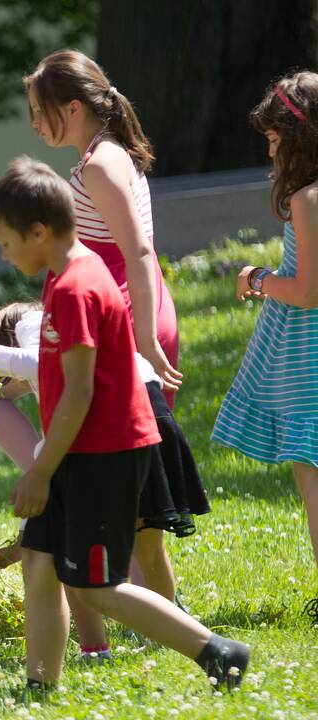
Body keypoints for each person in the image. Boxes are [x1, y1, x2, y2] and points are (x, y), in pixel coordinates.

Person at [0, 155, 248, 693]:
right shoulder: (65, 276)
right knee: (38, 559)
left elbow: (79, 393)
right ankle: (40, 686)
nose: (4, 255)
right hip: (77, 450)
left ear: (38, 231)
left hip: (103, 453)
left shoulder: (77, 288)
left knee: (97, 586)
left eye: (6, 243)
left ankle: (216, 650)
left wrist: (40, 470)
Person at [0, 301, 210, 660]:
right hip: (151, 415)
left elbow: (47, 365)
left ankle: (95, 649)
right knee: (150, 547)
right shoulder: (74, 323)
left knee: (69, 547)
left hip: (114, 427)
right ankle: (168, 638)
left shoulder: (30, 326)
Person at [212, 71, 318, 623]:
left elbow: (307, 292)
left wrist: (256, 278)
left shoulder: (307, 199)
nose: (271, 152)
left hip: (309, 358)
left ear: (301, 140)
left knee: (313, 478)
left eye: (276, 140)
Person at [25, 50, 182, 405]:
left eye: (39, 111)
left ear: (74, 108)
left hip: (125, 314)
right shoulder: (102, 154)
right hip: (122, 309)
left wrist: (145, 341)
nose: (34, 122)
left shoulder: (100, 164)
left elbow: (138, 251)